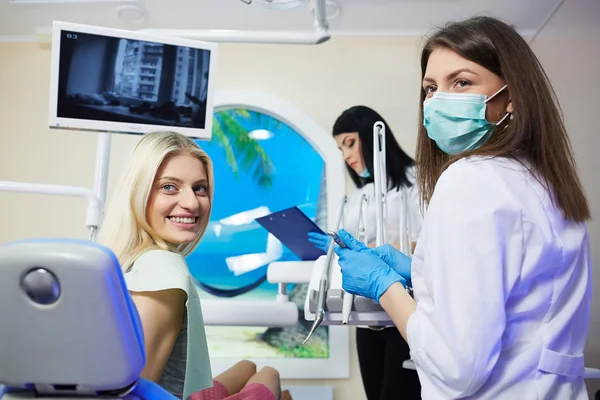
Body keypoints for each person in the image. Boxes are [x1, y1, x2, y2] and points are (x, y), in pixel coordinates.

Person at [333, 16, 592, 400]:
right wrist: (421, 272)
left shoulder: (470, 179)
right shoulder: (545, 182)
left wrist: (383, 285)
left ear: (513, 94)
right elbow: (517, 292)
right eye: (430, 88)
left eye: (462, 82)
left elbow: (456, 366)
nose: (438, 100)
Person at [97, 131, 290, 400]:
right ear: (138, 192)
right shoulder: (164, 266)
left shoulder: (122, 261)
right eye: (169, 187)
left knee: (249, 368)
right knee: (270, 376)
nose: (192, 203)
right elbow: (131, 394)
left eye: (199, 188)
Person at [307, 106, 423, 400]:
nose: (346, 155)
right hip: (366, 312)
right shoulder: (359, 196)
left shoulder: (416, 181)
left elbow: (425, 246)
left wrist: (372, 254)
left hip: (405, 305)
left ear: (372, 137)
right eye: (340, 148)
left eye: (350, 143)